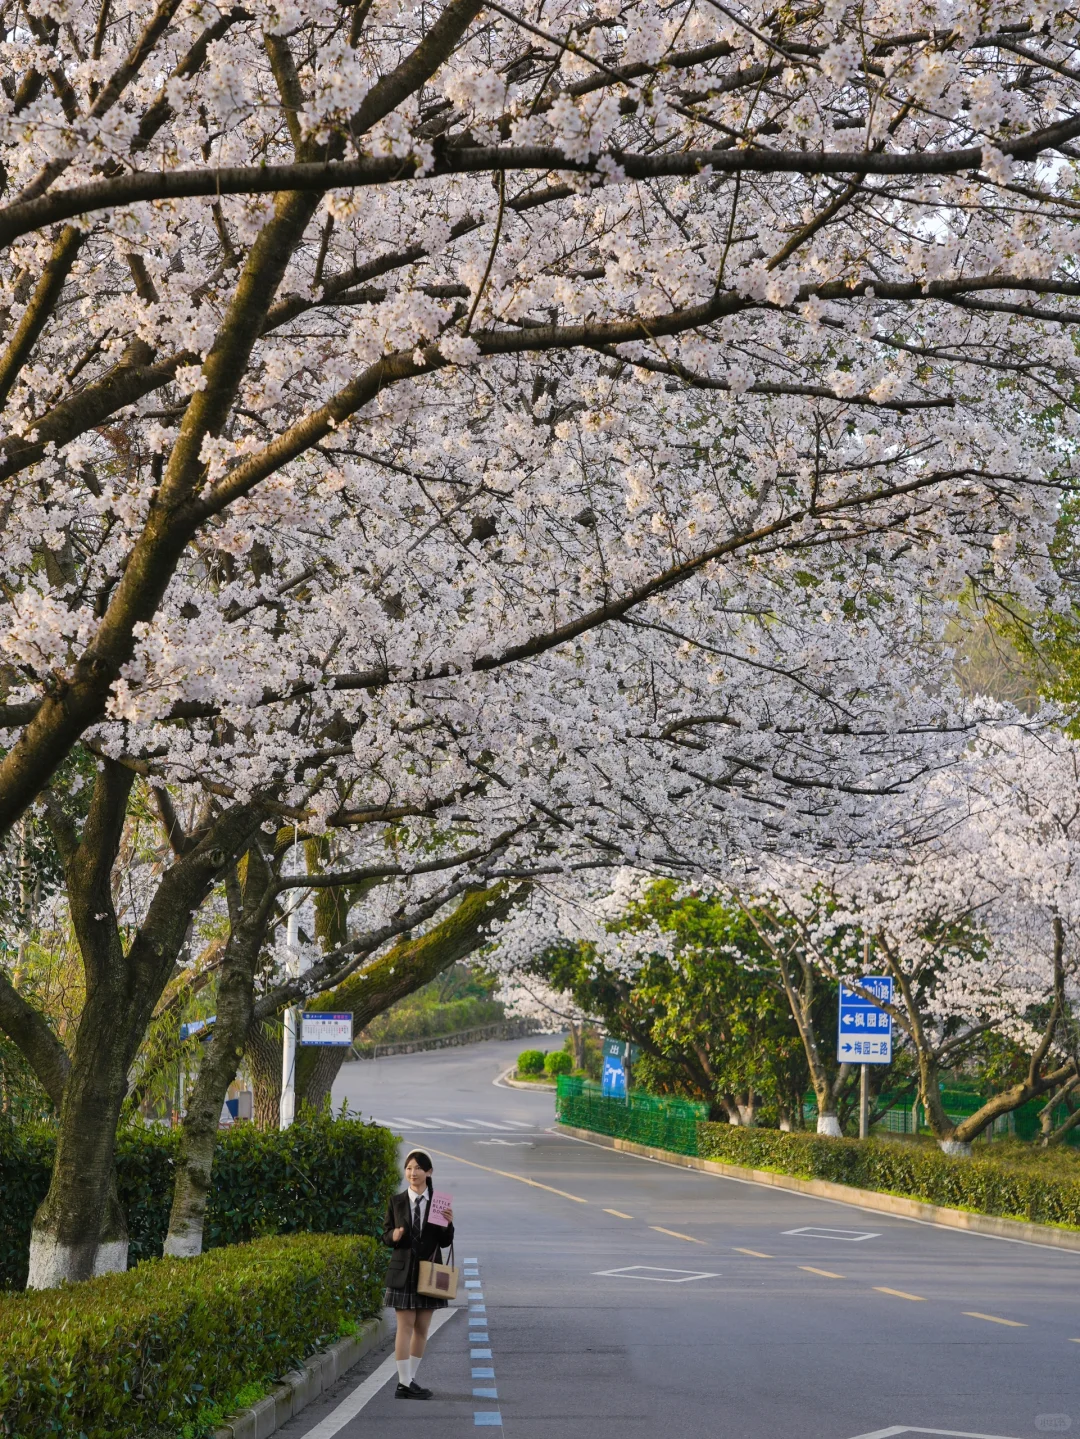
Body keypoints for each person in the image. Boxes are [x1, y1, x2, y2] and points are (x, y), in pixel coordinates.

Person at [382, 1149, 455, 1400]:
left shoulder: (439, 1202)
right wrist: (394, 1236)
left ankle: (408, 1381)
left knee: (422, 1327)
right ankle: (403, 1382)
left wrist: (448, 1223)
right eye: (409, 1168)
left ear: (429, 1172)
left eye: (418, 1168)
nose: (413, 1173)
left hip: (429, 1271)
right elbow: (385, 1236)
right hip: (403, 1270)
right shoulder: (396, 1201)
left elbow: (445, 1242)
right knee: (405, 1326)